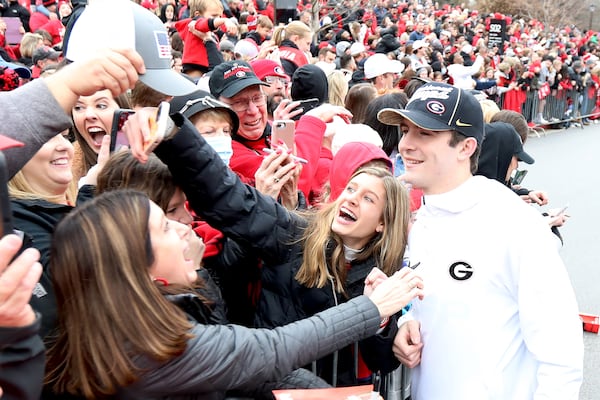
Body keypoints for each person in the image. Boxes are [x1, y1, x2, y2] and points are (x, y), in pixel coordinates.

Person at [124, 108, 418, 386]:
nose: (351, 198)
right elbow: (230, 195)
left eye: (368, 199)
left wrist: (380, 320)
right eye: (352, 189)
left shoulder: (384, 272)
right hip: (268, 384)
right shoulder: (296, 232)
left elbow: (382, 361)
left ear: (382, 222)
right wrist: (172, 133)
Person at [44, 189, 423, 398]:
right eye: (163, 226)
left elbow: (247, 371)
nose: (182, 227)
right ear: (130, 267)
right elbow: (269, 350)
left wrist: (327, 396)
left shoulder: (148, 314)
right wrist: (371, 307)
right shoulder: (145, 346)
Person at [377, 82, 583, 399]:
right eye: (405, 130)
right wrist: (406, 325)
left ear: (466, 147)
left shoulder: (514, 223)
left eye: (425, 133)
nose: (406, 144)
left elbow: (561, 354)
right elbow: (437, 308)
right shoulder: (423, 219)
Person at [173, 0, 234, 78]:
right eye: (214, 16)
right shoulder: (194, 23)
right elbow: (204, 24)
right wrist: (225, 20)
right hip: (195, 68)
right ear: (197, 15)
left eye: (220, 16)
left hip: (207, 67)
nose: (218, 19)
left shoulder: (211, 34)